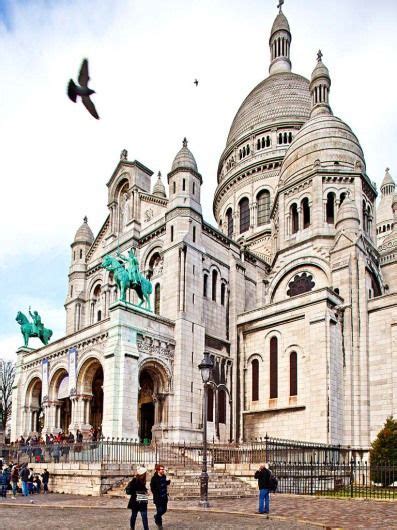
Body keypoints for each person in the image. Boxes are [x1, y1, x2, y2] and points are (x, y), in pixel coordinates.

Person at [126, 466, 149, 530]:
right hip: (136, 500)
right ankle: (132, 527)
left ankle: (133, 527)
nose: (146, 474)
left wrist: (145, 491)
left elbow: (142, 488)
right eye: (145, 473)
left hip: (141, 499)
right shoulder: (135, 480)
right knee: (135, 515)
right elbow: (132, 490)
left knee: (143, 516)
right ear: (143, 474)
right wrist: (142, 491)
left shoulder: (142, 480)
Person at [150, 464, 170, 530]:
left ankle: (156, 516)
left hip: (164, 497)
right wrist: (156, 494)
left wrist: (168, 481)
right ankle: (160, 525)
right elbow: (152, 488)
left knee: (164, 510)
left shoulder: (164, 476)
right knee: (159, 510)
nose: (163, 470)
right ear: (158, 470)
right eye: (162, 469)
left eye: (163, 469)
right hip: (158, 498)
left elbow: (165, 483)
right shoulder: (154, 478)